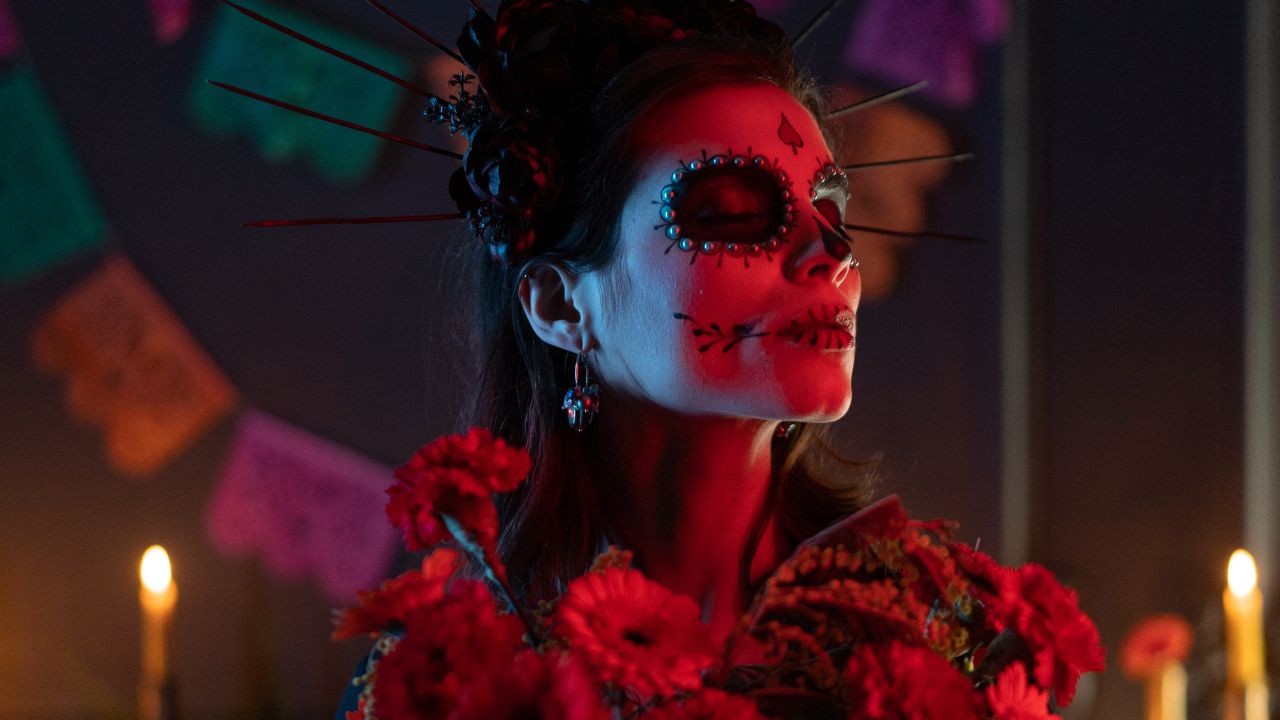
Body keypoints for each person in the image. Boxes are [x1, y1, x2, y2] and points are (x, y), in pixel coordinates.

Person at [338, 2, 877, 715]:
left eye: (830, 210)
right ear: (561, 306)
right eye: (730, 212)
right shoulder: (444, 683)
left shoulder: (927, 635)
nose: (832, 255)